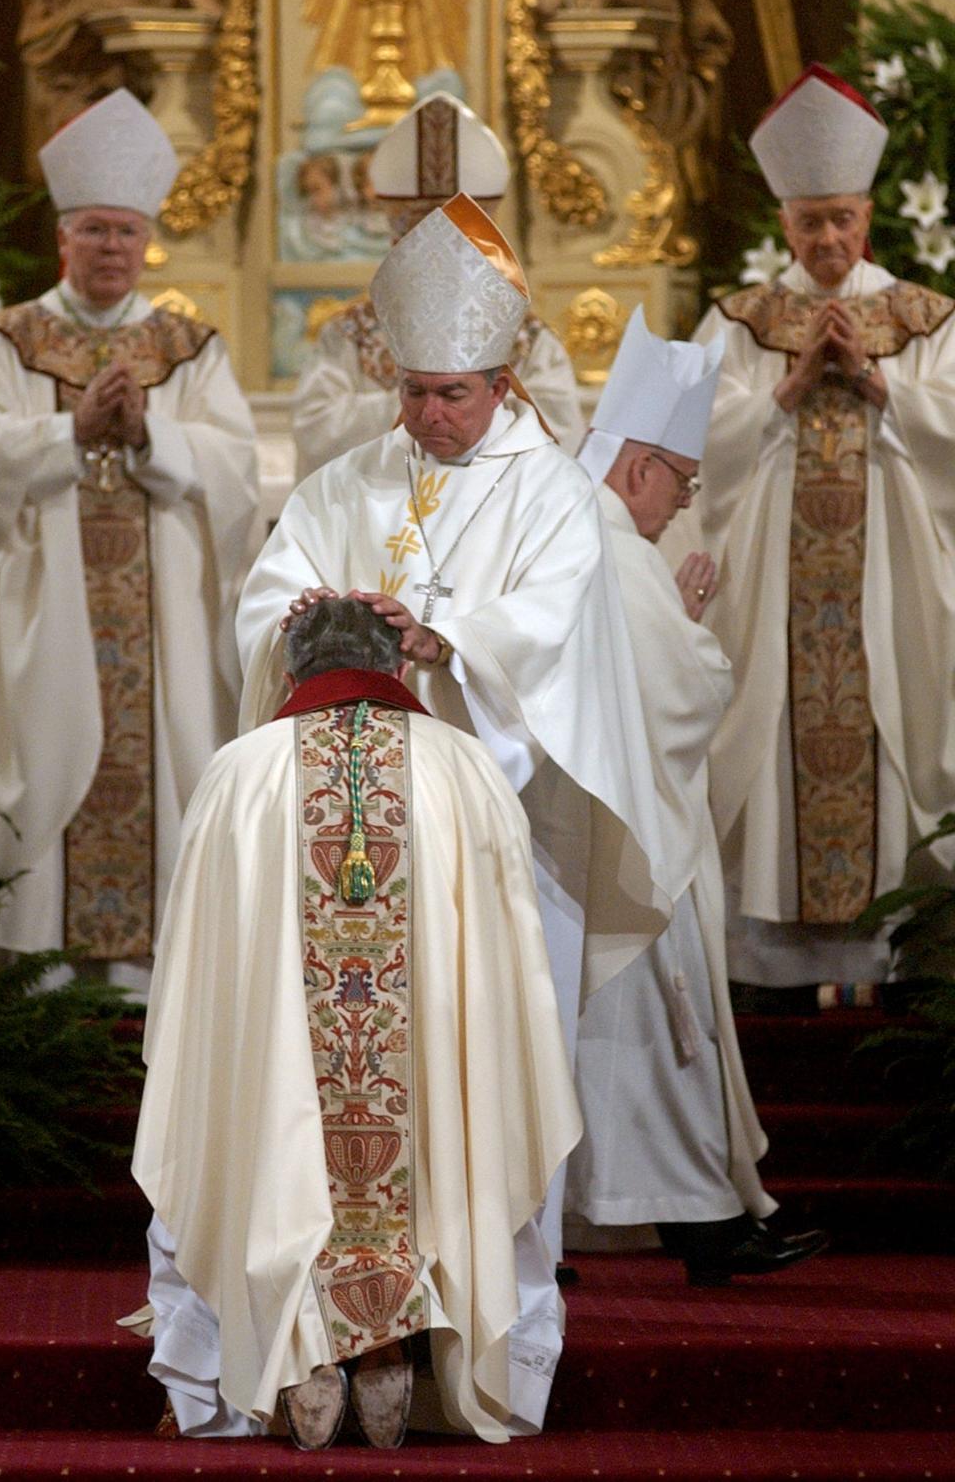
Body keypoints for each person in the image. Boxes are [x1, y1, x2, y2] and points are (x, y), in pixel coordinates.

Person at [238, 193, 669, 1266]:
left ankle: (501, 1285)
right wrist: (302, 629)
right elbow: (264, 596)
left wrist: (442, 641)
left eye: (452, 394)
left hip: (505, 824)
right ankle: (354, 1268)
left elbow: (556, 628)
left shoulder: (554, 496)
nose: (428, 414)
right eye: (415, 391)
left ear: (502, 383)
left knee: (492, 1058)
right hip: (353, 830)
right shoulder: (348, 480)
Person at [131, 596, 582, 1446]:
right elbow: (506, 957)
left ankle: (295, 1354)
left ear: (291, 670)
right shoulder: (466, 766)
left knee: (264, 1135)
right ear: (401, 668)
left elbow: (199, 967)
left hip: (283, 1068)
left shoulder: (240, 768)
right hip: (424, 1077)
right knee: (450, 1130)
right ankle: (395, 1354)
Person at [0, 89, 259, 981]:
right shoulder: (5, 340)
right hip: (48, 621)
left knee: (167, 784)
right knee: (42, 781)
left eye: (126, 232)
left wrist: (154, 433)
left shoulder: (188, 346)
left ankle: (157, 995)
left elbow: (236, 465)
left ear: (146, 239)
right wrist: (69, 433)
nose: (112, 248)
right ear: (63, 236)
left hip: (166, 632)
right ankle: (42, 991)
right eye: (95, 231)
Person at [680, 64, 955, 993]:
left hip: (888, 575)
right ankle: (777, 968)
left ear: (868, 215)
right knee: (775, 733)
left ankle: (889, 957)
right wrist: (788, 389)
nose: (829, 238)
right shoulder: (742, 320)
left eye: (843, 218)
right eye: (811, 223)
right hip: (775, 587)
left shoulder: (923, 319)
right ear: (784, 226)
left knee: (891, 715)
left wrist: (883, 388)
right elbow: (695, 449)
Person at [568, 307, 828, 1283]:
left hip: (599, 833)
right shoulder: (610, 543)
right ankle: (704, 1227)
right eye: (678, 481)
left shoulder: (574, 527)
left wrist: (667, 626)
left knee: (629, 1037)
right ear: (637, 466)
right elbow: (684, 691)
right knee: (655, 1035)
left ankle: (682, 1221)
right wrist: (695, 636)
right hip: (628, 843)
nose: (680, 504)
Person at [291, 91, 585, 479]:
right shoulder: (350, 334)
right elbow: (317, 429)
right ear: (400, 244)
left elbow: (560, 437)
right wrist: (430, 407)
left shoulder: (526, 336)